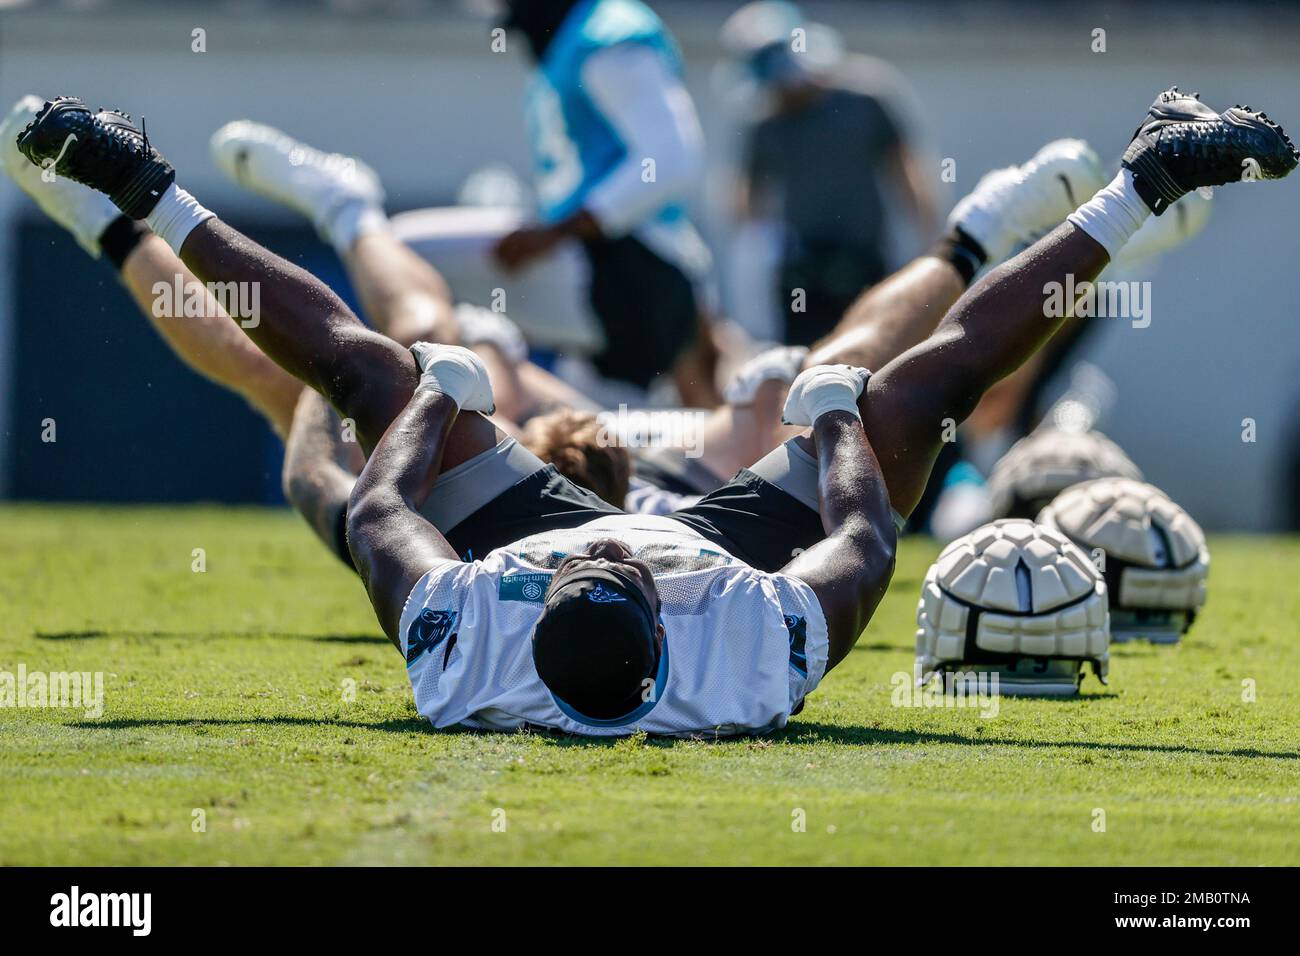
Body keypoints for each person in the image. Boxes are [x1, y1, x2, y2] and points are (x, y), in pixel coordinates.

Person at [16, 89, 1296, 736]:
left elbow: (382, 506)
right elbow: (862, 539)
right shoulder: (750, 643)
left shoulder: (464, 629)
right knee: (911, 389)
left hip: (548, 471)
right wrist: (840, 422)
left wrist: (436, 400)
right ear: (654, 598)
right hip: (721, 514)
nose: (600, 541)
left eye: (583, 555)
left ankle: (147, 195)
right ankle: (1132, 185)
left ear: (549, 578)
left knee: (359, 388)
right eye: (612, 561)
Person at [492, 0, 713, 398]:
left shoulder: (607, 36)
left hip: (635, 270)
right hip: (611, 269)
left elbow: (671, 159)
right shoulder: (575, 38)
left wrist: (556, 232)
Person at [722, 0, 939, 345]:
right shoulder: (765, 121)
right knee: (804, 367)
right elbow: (748, 194)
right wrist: (752, 252)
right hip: (802, 273)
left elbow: (905, 170)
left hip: (864, 262)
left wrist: (928, 243)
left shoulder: (867, 98)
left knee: (871, 357)